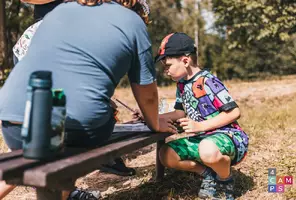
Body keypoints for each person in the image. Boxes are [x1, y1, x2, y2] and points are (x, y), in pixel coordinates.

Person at [0, 1, 177, 200]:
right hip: (73, 127)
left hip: (11, 120)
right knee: (93, 121)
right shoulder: (132, 22)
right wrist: (154, 122)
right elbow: (149, 95)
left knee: (48, 151)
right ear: (135, 7)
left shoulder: (62, 10)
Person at [134, 32, 249, 200]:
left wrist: (200, 126)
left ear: (185, 61)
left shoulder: (208, 81)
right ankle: (208, 173)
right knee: (166, 155)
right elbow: (179, 112)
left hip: (229, 137)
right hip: (203, 141)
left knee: (207, 149)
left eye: (168, 66)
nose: (165, 71)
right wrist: (148, 115)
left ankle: (225, 180)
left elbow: (234, 112)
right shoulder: (182, 85)